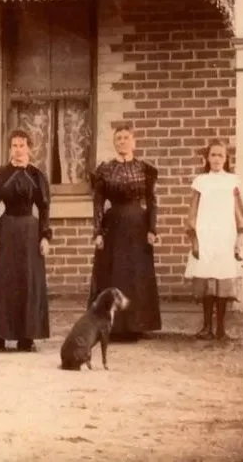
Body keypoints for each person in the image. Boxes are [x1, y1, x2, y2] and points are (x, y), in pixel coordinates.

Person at [0, 129, 52, 352]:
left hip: (29, 233)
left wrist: (45, 236)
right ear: (10, 148)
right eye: (14, 145)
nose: (18, 150)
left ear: (29, 148)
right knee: (2, 283)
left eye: (22, 145)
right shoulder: (0, 174)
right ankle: (0, 336)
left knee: (28, 282)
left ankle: (27, 337)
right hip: (5, 231)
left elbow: (44, 209)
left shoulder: (37, 176)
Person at [88, 123, 162, 338]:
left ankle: (136, 325)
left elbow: (152, 201)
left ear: (133, 141)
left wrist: (152, 228)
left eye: (126, 137)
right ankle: (115, 326)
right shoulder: (105, 171)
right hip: (114, 228)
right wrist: (98, 232)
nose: (122, 141)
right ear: (114, 142)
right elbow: (98, 203)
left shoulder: (145, 169)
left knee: (136, 273)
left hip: (138, 226)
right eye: (118, 138)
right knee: (114, 272)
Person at [184, 139, 243, 341]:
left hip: (225, 236)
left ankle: (221, 327)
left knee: (222, 280)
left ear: (226, 158)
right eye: (213, 155)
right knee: (206, 281)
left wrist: (239, 240)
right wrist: (194, 239)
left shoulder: (232, 181)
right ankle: (206, 327)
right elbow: (193, 212)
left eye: (220, 155)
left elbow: (239, 212)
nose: (216, 159)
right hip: (205, 236)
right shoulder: (201, 182)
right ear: (207, 157)